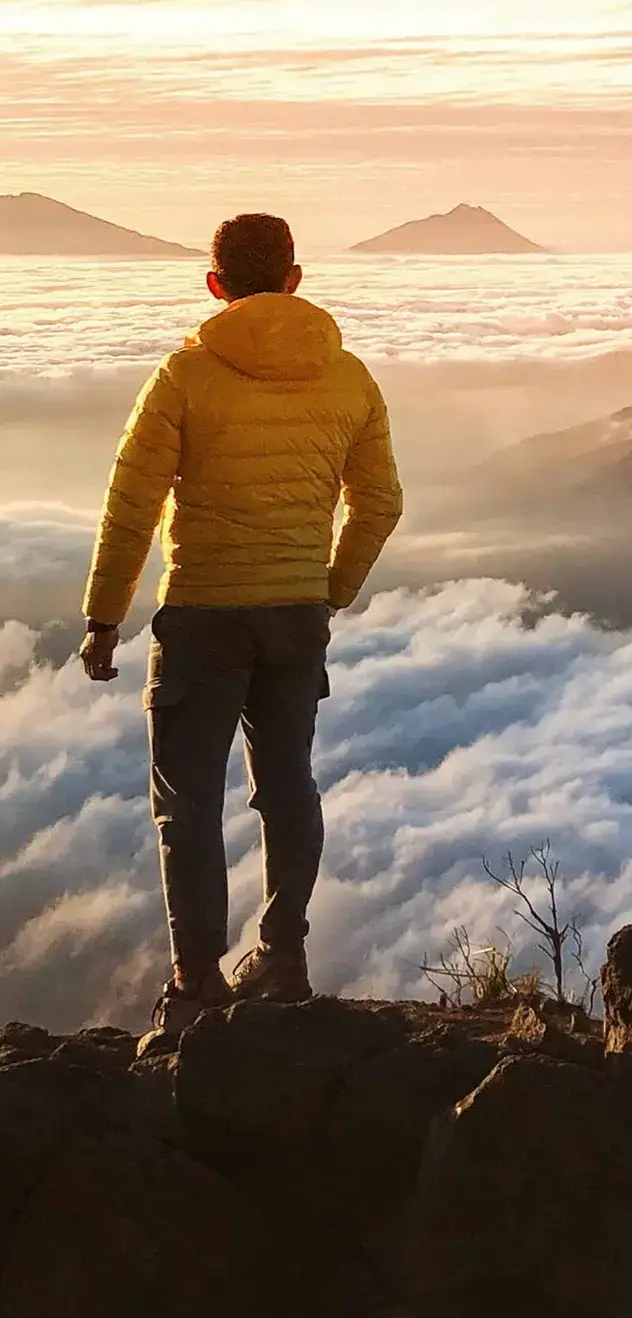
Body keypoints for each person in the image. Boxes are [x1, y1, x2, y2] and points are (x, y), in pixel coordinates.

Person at [80, 211, 403, 1044]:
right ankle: (283, 957)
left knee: (187, 803)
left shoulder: (183, 375)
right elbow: (381, 503)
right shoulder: (350, 377)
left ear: (216, 284)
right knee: (287, 783)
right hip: (295, 618)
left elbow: (133, 507)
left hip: (202, 618)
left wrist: (104, 618)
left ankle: (197, 985)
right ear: (296, 277)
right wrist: (328, 588)